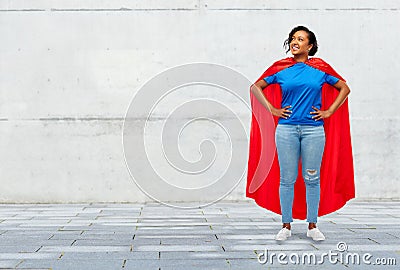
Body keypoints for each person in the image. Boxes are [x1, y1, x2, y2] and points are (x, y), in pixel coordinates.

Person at [246, 26, 354, 241]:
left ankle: (312, 226)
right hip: (286, 130)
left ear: (310, 46)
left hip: (314, 131)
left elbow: (344, 88)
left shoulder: (321, 70)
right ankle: (286, 226)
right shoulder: (280, 69)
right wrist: (274, 110)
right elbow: (255, 87)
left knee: (312, 178)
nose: (295, 42)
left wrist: (329, 111)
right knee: (287, 179)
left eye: (301, 39)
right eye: (293, 38)